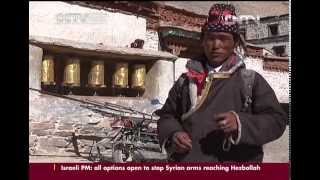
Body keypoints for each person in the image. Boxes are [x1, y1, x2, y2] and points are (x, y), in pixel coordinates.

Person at [157, 3, 287, 162]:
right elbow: (167, 116)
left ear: (235, 42)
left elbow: (277, 120)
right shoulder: (185, 81)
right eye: (211, 38)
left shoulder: (250, 81)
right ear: (202, 41)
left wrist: (240, 124)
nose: (216, 45)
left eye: (223, 39)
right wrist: (173, 134)